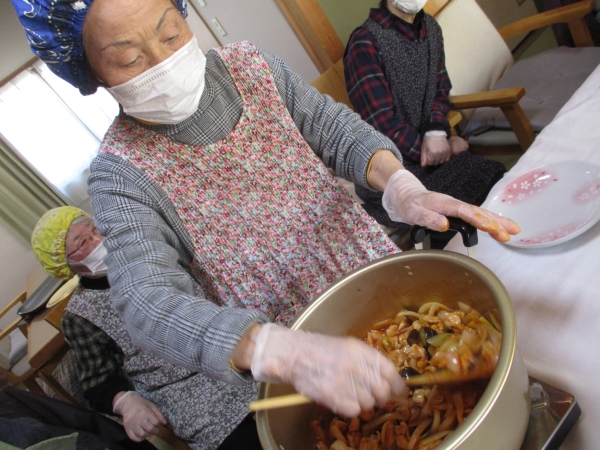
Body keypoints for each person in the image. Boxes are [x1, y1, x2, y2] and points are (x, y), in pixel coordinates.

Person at [12, 0, 519, 418]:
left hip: (375, 279)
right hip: (299, 356)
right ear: (90, 73)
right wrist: (277, 351)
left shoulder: (250, 67)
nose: (162, 61)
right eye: (128, 59)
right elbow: (147, 302)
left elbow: (335, 130)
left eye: (169, 34)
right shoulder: (120, 173)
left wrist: (403, 186)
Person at [30, 207, 261, 450]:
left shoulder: (151, 251)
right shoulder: (81, 316)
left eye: (95, 228)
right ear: (66, 265)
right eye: (82, 243)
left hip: (227, 346)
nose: (99, 240)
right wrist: (126, 402)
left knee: (284, 392)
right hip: (189, 395)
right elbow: (97, 380)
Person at [344, 0, 507, 247]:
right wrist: (439, 149)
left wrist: (436, 132)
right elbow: (381, 125)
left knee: (495, 179)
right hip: (391, 168)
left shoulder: (430, 27)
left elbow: (440, 90)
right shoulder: (364, 44)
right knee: (453, 217)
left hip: (431, 154)